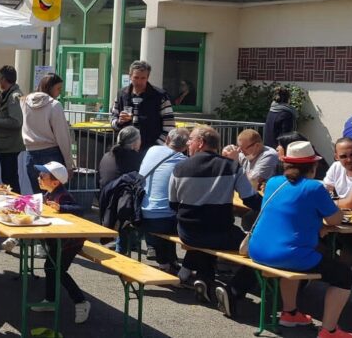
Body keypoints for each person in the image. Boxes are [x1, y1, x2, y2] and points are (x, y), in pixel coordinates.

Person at [242, 142, 352, 338]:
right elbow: (335, 219)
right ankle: (329, 330)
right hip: (288, 254)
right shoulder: (313, 188)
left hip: (258, 250)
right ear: (313, 166)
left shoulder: (274, 182)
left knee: (295, 262)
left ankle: (290, 313)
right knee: (343, 274)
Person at [169, 125, 261, 307]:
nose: (188, 143)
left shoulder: (179, 168)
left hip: (188, 232)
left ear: (201, 143)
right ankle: (234, 290)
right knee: (259, 249)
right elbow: (251, 200)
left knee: (205, 235)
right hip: (220, 232)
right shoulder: (231, 166)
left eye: (191, 140)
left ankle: (204, 278)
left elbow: (173, 204)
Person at [30, 162, 91, 323]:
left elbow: (79, 209)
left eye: (43, 176)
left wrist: (62, 207)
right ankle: (50, 301)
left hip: (70, 242)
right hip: (57, 240)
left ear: (55, 182)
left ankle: (81, 302)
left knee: (57, 270)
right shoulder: (49, 193)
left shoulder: (62, 195)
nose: (39, 178)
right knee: (50, 268)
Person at [138, 128, 191, 273]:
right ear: (186, 146)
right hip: (162, 220)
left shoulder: (152, 150)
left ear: (167, 139)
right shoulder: (184, 162)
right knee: (197, 228)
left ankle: (166, 262)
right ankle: (185, 269)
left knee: (167, 208)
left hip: (140, 214)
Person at [22, 73, 74, 194]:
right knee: (55, 197)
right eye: (58, 89)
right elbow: (63, 137)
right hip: (51, 154)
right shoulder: (54, 105)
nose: (60, 92)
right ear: (49, 88)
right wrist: (69, 164)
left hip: (31, 154)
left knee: (38, 197)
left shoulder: (25, 103)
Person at [110, 60, 175, 149]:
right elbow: (112, 121)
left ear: (148, 77)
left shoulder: (160, 96)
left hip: (150, 150)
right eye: (136, 78)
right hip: (126, 150)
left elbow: (169, 126)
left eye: (143, 78)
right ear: (130, 76)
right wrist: (119, 122)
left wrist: (156, 147)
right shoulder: (122, 94)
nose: (139, 82)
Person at [0, 65, 25, 192]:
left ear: (4, 79)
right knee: (7, 178)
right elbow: (5, 114)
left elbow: (16, 122)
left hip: (10, 145)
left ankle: (16, 204)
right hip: (6, 144)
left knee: (10, 180)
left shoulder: (14, 96)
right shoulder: (7, 94)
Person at [322, 137, 352, 211]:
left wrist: (322, 203)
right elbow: (325, 189)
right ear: (336, 157)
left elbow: (350, 204)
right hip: (343, 215)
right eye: (343, 156)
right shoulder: (336, 166)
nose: (349, 160)